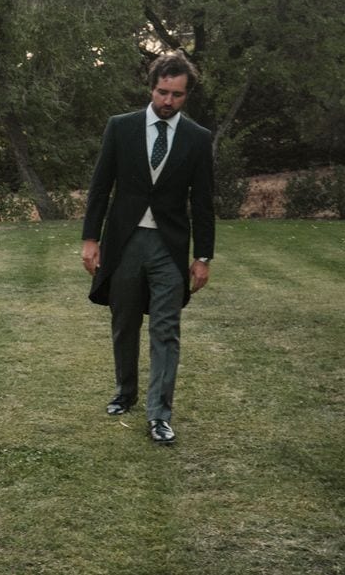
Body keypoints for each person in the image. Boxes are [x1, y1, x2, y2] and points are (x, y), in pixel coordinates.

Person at [80, 51, 215, 445]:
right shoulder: (120, 127)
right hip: (124, 242)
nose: (168, 101)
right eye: (162, 92)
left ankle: (159, 415)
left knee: (166, 329)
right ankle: (126, 392)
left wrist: (203, 256)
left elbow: (203, 202)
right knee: (124, 322)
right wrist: (90, 239)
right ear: (152, 87)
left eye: (177, 95)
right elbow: (100, 187)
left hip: (169, 247)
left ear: (187, 95)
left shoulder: (197, 138)